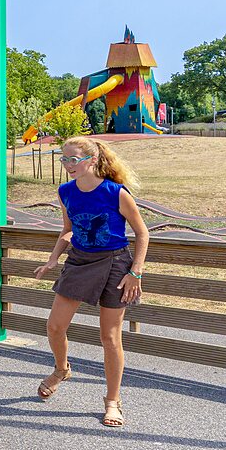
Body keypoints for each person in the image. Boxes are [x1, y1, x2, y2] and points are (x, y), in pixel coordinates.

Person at [33, 136, 148, 428]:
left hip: (115, 264)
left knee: (109, 337)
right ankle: (61, 370)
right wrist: (53, 258)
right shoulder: (65, 192)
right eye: (64, 159)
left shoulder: (116, 193)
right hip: (80, 261)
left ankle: (112, 401)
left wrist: (135, 272)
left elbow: (142, 234)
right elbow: (68, 230)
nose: (68, 165)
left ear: (92, 160)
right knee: (55, 326)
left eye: (74, 159)